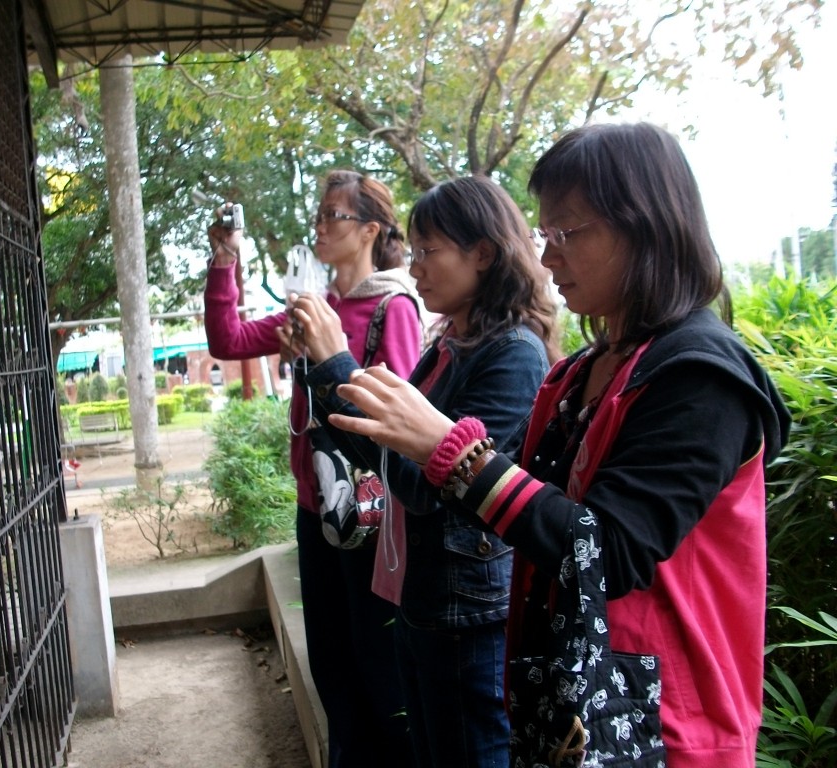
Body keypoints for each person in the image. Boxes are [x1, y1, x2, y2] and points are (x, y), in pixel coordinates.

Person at [325, 123, 791, 767]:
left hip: (662, 728)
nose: (547, 258)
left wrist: (449, 451)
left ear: (644, 225)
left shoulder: (700, 378)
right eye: (545, 235)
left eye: (567, 233)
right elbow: (516, 510)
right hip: (569, 707)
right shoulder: (581, 373)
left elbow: (608, 551)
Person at [289, 175, 560, 767]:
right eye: (412, 253)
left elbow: (424, 485)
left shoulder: (514, 354)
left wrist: (337, 362)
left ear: (482, 253)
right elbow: (382, 449)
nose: (414, 270)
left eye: (428, 251)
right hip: (424, 598)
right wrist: (323, 368)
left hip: (467, 613)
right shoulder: (449, 346)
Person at [203, 170, 422, 767]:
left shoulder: (393, 307)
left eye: (334, 215)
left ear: (370, 230)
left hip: (371, 515)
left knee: (377, 666)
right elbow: (228, 340)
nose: (320, 226)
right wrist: (225, 260)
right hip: (315, 507)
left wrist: (332, 357)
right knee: (330, 662)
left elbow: (400, 414)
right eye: (319, 215)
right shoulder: (314, 309)